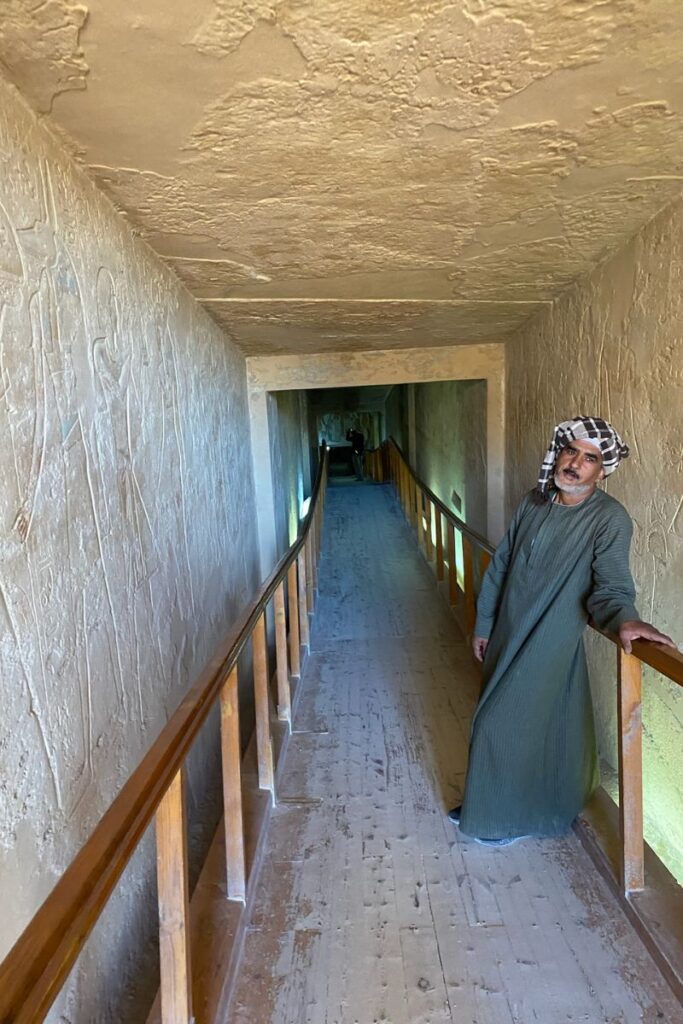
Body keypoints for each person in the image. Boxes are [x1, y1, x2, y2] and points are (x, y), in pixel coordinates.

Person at [449, 416, 676, 847]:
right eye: (571, 451)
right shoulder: (534, 502)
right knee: (531, 723)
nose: (575, 463)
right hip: (506, 632)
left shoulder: (610, 519)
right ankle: (489, 801)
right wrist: (484, 624)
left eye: (589, 458)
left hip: (550, 638)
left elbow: (609, 585)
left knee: (497, 724)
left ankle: (500, 819)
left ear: (602, 469)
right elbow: (501, 566)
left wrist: (625, 617)